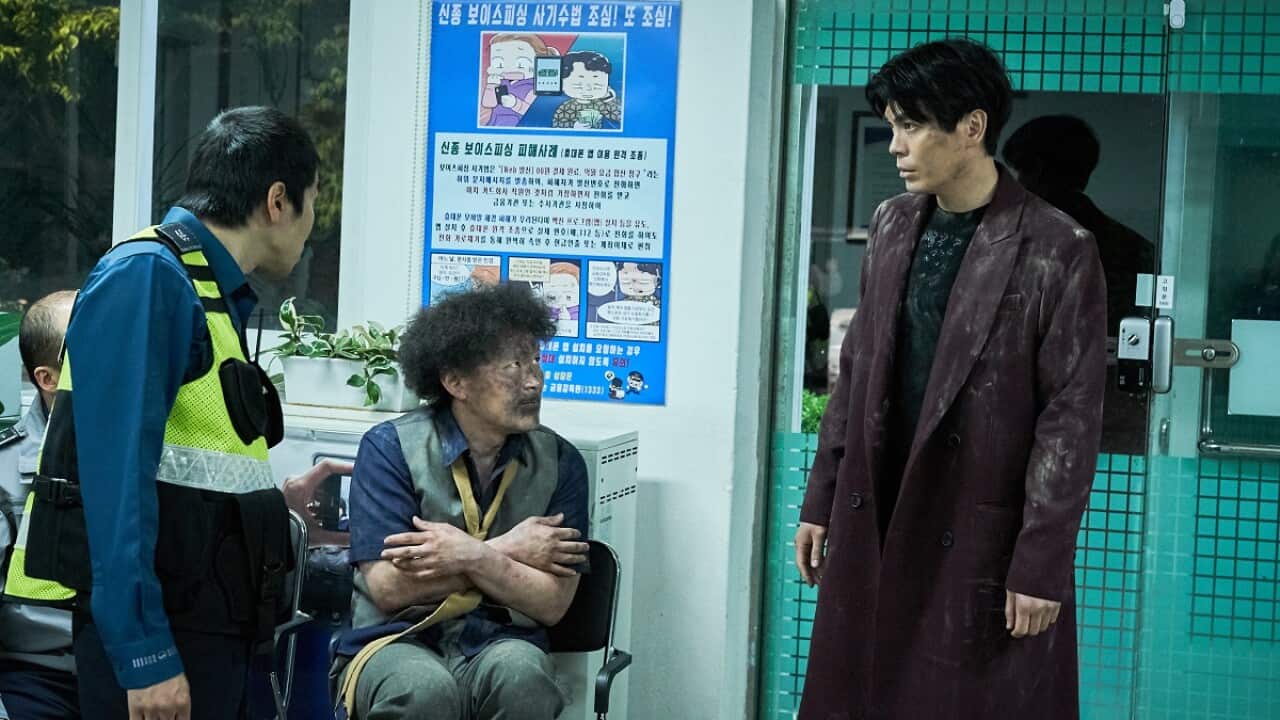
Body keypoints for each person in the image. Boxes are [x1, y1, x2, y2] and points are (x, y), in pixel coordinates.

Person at [794, 39, 1107, 719]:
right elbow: (855, 373)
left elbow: (1070, 419)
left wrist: (1041, 561)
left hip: (975, 519)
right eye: (893, 125)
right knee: (861, 691)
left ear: (972, 127)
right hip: (877, 502)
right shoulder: (892, 223)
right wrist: (821, 499)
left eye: (911, 125)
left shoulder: (1057, 246)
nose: (895, 146)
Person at [5, 106, 341, 720]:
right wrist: (145, 655)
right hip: (171, 640)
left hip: (212, 627)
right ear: (277, 201)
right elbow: (114, 482)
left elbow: (200, 466)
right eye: (313, 201)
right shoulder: (148, 276)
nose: (313, 223)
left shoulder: (204, 287)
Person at [332, 283, 591, 720]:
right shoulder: (391, 448)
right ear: (456, 382)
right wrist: (505, 551)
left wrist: (467, 555)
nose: (533, 380)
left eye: (535, 360)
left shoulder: (560, 461)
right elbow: (390, 588)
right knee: (424, 690)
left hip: (500, 638)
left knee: (524, 678)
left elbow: (552, 603)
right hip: (397, 639)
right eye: (513, 366)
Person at [1003, 115, 1155, 454]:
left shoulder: (1013, 242)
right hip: (1109, 412)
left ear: (1037, 172)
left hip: (1031, 413)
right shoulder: (1133, 248)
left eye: (1021, 173)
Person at [0, 291, 79, 719]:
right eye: (90, 345)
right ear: (48, 379)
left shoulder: (161, 450)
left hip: (139, 669)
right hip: (38, 674)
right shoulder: (5, 472)